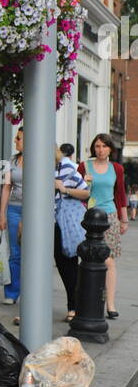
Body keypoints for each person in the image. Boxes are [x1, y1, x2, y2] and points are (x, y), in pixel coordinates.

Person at [78, 133, 128, 319]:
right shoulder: (84, 166)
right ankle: (85, 300)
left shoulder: (116, 168)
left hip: (109, 216)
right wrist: (85, 182)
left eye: (104, 146)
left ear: (110, 149)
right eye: (97, 146)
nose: (100, 150)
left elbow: (120, 193)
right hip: (88, 216)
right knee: (88, 259)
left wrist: (124, 219)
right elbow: (76, 189)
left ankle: (111, 304)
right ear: (94, 148)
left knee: (109, 260)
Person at [53, 143, 89, 320]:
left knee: (67, 265)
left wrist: (63, 189)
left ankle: (73, 306)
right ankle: (32, 307)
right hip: (40, 222)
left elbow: (85, 193)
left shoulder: (66, 167)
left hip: (60, 223)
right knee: (34, 264)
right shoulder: (33, 167)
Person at [0, 126, 23, 317]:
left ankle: (29, 291)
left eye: (19, 138)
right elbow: (6, 187)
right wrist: (2, 214)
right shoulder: (10, 162)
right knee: (15, 253)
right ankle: (12, 292)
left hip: (33, 212)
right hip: (14, 209)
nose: (16, 140)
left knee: (30, 254)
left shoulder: (39, 160)